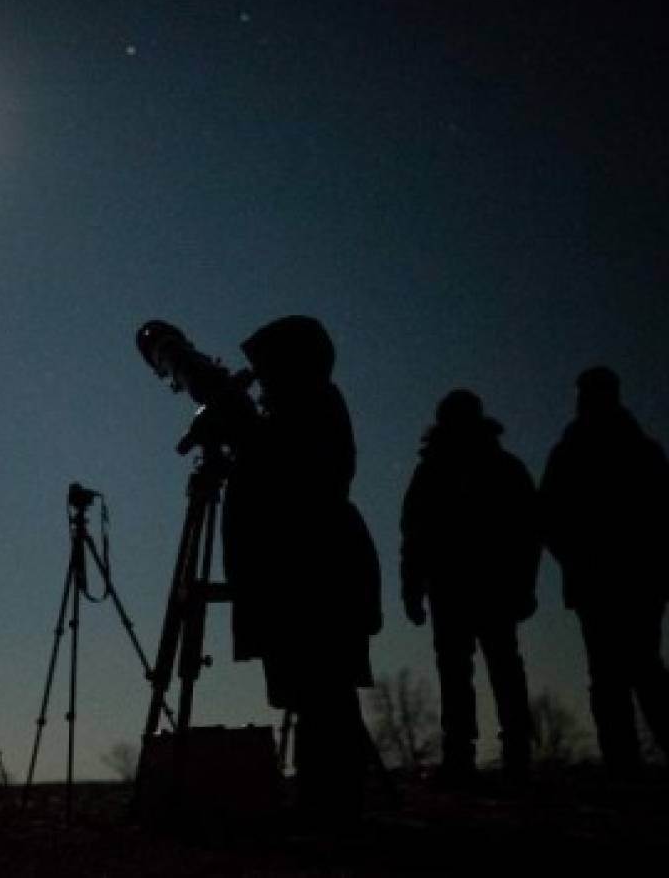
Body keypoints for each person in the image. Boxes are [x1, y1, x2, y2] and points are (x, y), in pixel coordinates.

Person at [222, 315, 382, 824]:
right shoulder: (298, 410)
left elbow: (294, 478)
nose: (260, 379)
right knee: (312, 693)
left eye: (267, 369)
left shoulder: (312, 409)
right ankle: (328, 801)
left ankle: (332, 806)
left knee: (322, 694)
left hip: (316, 577)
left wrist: (246, 433)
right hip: (299, 574)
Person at [400, 390, 538, 784]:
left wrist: (413, 587)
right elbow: (415, 534)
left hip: (465, 587)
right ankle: (499, 753)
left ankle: (478, 753)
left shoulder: (437, 471)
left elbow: (415, 534)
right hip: (475, 587)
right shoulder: (500, 466)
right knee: (492, 668)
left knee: (472, 670)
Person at [539, 366, 669, 775]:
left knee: (622, 672)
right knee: (636, 668)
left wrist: (574, 558)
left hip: (616, 578)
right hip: (630, 578)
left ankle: (623, 763)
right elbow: (548, 517)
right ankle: (625, 762)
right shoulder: (639, 450)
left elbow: (548, 516)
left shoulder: (576, 452)